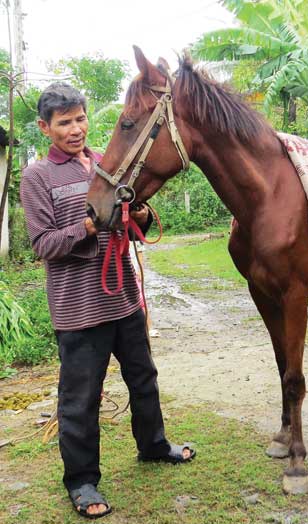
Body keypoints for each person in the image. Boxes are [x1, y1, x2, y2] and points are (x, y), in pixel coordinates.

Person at [20, 83, 195, 519]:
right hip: (78, 309)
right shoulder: (37, 177)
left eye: (80, 118)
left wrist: (139, 214)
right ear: (45, 128)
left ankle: (153, 446)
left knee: (144, 377)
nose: (76, 129)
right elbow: (43, 244)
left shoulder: (105, 162)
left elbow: (140, 209)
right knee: (79, 399)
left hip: (123, 298)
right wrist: (89, 226)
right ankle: (81, 481)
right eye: (64, 123)